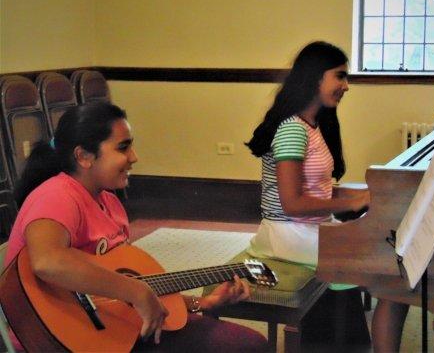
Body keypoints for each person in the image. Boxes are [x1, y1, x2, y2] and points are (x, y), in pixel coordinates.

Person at [4, 103, 267, 352]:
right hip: (59, 336)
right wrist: (136, 291)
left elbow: (128, 288)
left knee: (244, 342)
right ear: (84, 156)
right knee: (247, 346)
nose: (134, 157)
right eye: (123, 148)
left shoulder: (110, 203)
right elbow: (47, 261)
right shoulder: (57, 194)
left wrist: (203, 303)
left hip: (115, 327)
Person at [245, 41, 371, 346]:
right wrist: (353, 201)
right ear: (315, 78)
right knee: (353, 262)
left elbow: (318, 187)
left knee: (362, 253)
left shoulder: (313, 125)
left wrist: (358, 196)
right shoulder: (292, 129)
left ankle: (337, 339)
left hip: (308, 228)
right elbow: (291, 203)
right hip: (286, 233)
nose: (346, 86)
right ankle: (329, 342)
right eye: (339, 76)